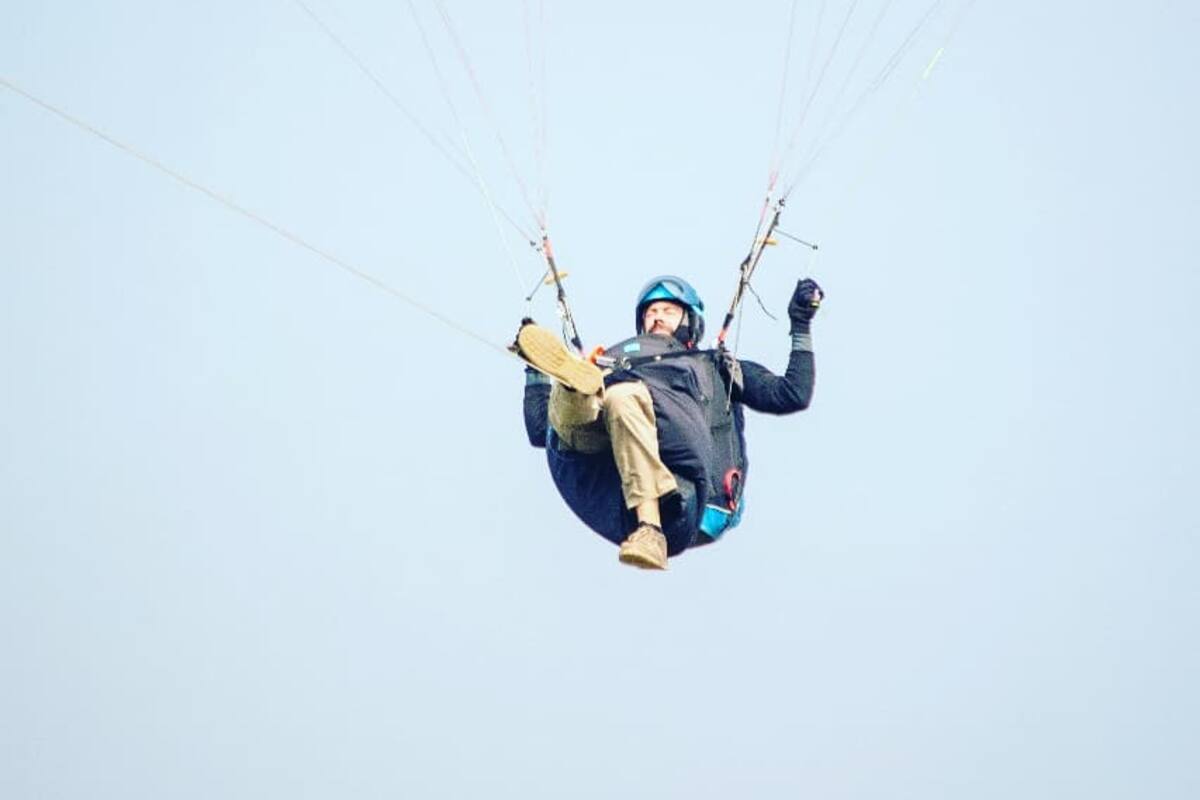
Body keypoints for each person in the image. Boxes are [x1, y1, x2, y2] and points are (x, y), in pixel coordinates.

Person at [515, 275, 821, 570]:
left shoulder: (716, 367)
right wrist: (534, 372)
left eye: (669, 311)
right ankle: (571, 387)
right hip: (609, 486)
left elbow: (791, 394)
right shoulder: (620, 366)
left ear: (691, 321)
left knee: (623, 397)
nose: (657, 317)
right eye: (651, 312)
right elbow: (539, 429)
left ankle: (650, 528)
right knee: (589, 404)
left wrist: (801, 324)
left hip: (683, 502)